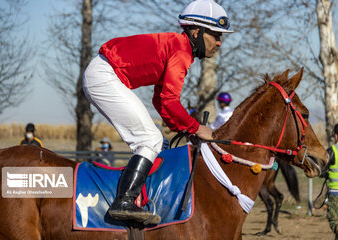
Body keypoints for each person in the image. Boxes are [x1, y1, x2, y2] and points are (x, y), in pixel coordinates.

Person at [83, 0, 233, 224]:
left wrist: (184, 128)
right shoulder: (181, 50)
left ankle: (138, 198)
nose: (219, 42)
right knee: (149, 139)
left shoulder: (178, 47)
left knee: (158, 142)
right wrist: (197, 128)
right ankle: (123, 202)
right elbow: (169, 101)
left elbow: (160, 100)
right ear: (196, 32)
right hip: (104, 76)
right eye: (215, 35)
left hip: (103, 73)